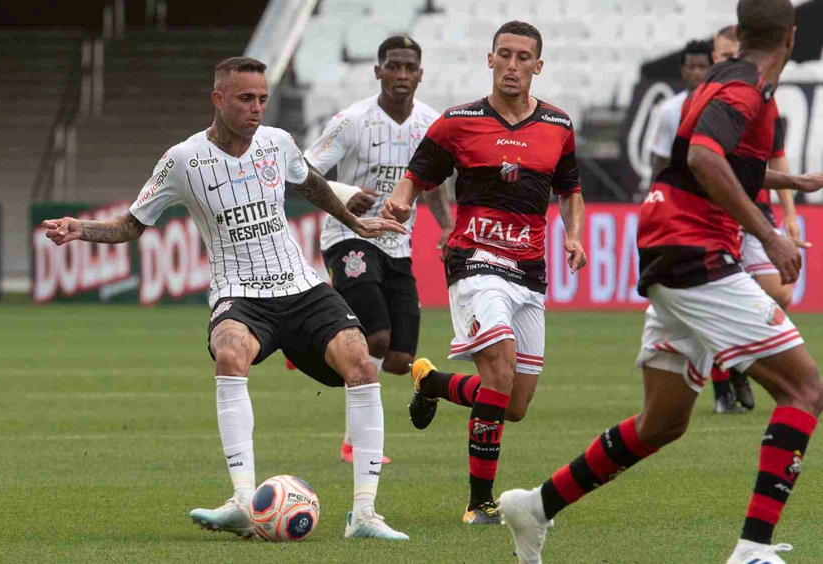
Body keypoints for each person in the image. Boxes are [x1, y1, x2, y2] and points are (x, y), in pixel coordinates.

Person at [498, 2, 823, 562]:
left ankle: (535, 506)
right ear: (791, 39)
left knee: (662, 422)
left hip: (671, 245)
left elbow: (711, 157)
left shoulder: (727, 80)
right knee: (805, 389)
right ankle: (753, 549)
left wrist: (791, 179)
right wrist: (768, 236)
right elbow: (702, 157)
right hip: (693, 248)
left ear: (742, 35)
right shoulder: (744, 89)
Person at [42, 57, 410, 541]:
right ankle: (241, 501)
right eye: (245, 98)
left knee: (362, 362)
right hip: (239, 292)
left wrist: (353, 220)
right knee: (231, 353)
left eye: (262, 99)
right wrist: (80, 229)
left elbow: (310, 183)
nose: (257, 108)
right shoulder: (183, 160)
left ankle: (364, 514)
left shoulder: (277, 143)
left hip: (300, 284)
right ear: (218, 99)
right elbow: (132, 224)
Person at [381, 21, 587, 525]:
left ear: (538, 67)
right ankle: (480, 501)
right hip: (474, 260)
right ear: (489, 59)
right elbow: (418, 174)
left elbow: (570, 191)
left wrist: (574, 234)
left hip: (529, 270)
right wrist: (401, 202)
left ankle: (431, 383)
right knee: (498, 372)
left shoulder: (558, 126)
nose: (512, 66)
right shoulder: (458, 121)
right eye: (505, 55)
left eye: (523, 58)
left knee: (512, 403)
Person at [299, 35, 454, 465]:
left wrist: (446, 226)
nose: (401, 75)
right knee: (376, 335)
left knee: (400, 359)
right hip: (348, 235)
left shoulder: (430, 124)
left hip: (397, 246)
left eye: (409, 68)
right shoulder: (352, 121)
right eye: (393, 66)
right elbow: (303, 171)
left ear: (420, 75)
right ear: (378, 71)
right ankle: (355, 444)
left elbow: (434, 182)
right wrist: (344, 193)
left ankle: (311, 343)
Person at [711, 24, 809, 413]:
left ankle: (738, 361)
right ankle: (724, 386)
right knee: (712, 296)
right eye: (718, 55)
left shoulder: (762, 100)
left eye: (730, 54)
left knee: (781, 291)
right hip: (712, 212)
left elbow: (776, 155)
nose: (724, 60)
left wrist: (790, 212)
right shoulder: (709, 100)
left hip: (753, 210)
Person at [647, 39, 712, 187]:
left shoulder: (724, 107)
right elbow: (661, 160)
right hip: (683, 192)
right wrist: (653, 195)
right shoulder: (668, 110)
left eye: (702, 67)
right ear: (683, 70)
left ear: (711, 69)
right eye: (691, 67)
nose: (696, 72)